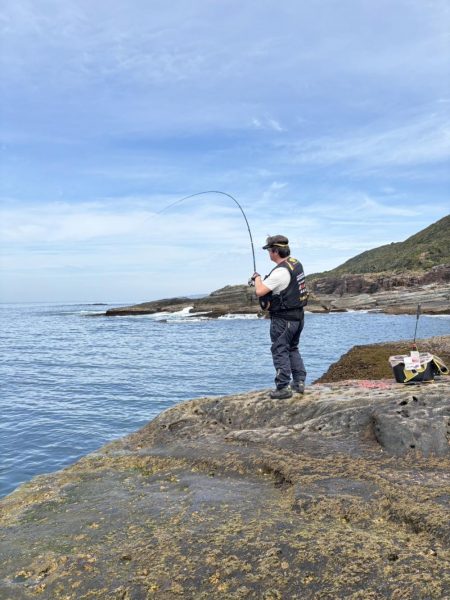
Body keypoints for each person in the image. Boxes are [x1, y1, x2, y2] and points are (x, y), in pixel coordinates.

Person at [251, 235, 308, 399]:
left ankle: (283, 387)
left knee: (280, 349)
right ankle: (299, 382)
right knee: (292, 348)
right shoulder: (296, 263)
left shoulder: (281, 272)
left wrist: (257, 278)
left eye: (269, 250)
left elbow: (260, 291)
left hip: (284, 319)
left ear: (275, 251)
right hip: (298, 316)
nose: (268, 253)